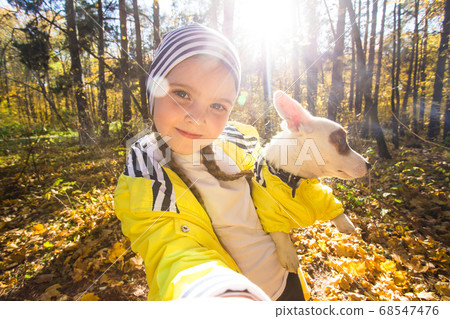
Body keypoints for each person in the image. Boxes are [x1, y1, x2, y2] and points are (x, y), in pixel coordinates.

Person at [114, 24, 310, 301]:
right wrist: (210, 292)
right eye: (182, 94)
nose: (196, 117)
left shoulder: (238, 143)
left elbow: (274, 191)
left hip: (286, 282)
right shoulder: (146, 167)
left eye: (218, 106)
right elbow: (169, 247)